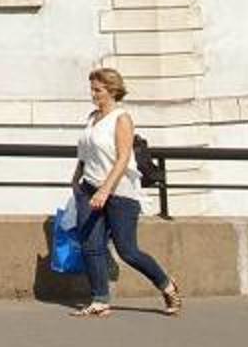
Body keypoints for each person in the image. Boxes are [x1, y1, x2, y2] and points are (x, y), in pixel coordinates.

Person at [73, 63, 182, 318]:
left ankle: (166, 284)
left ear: (112, 91)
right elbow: (85, 153)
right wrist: (76, 179)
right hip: (89, 187)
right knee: (91, 245)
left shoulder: (121, 118)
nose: (93, 94)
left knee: (128, 250)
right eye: (92, 89)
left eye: (98, 90)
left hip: (119, 193)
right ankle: (100, 299)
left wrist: (105, 190)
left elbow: (123, 159)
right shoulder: (92, 118)